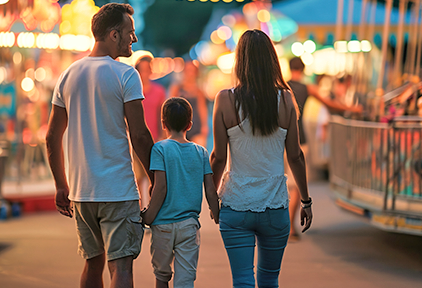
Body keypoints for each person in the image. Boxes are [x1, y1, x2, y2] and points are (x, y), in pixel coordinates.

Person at [46, 3, 154, 288]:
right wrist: (157, 178)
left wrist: (61, 184)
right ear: (114, 34)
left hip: (82, 193)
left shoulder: (68, 75)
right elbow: (140, 135)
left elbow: (51, 136)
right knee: (121, 267)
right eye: (130, 32)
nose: (135, 39)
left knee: (93, 263)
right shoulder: (126, 75)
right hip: (118, 190)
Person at [211, 29, 313, 288]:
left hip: (236, 205)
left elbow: (218, 157)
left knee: (242, 280)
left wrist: (212, 198)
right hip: (275, 206)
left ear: (239, 60)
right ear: (271, 60)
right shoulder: (286, 99)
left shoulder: (225, 99)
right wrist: (305, 199)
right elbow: (295, 155)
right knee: (270, 280)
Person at [141, 97, 220, 288]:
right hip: (188, 225)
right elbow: (210, 188)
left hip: (162, 226)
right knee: (185, 279)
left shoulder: (159, 149)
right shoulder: (201, 152)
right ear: (190, 124)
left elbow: (160, 187)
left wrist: (148, 216)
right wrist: (216, 214)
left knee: (161, 275)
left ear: (163, 123)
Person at [287, 58, 360, 240]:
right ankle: (289, 227)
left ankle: (279, 226)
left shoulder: (281, 87)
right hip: (299, 139)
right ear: (302, 69)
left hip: (277, 140)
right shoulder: (307, 88)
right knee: (296, 185)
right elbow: (330, 104)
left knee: (279, 183)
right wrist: (351, 108)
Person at [134, 55, 166, 208]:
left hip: (154, 139)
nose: (145, 73)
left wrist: (163, 137)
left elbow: (163, 116)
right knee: (138, 176)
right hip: (134, 139)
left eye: (148, 70)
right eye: (143, 70)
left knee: (155, 175)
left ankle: (154, 206)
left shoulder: (159, 91)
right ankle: (142, 207)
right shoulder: (132, 91)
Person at [170, 60, 208, 147]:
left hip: (195, 127)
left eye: (192, 71)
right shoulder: (177, 88)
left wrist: (204, 126)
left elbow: (202, 108)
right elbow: (170, 107)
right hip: (178, 128)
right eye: (188, 70)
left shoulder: (199, 91)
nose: (190, 73)